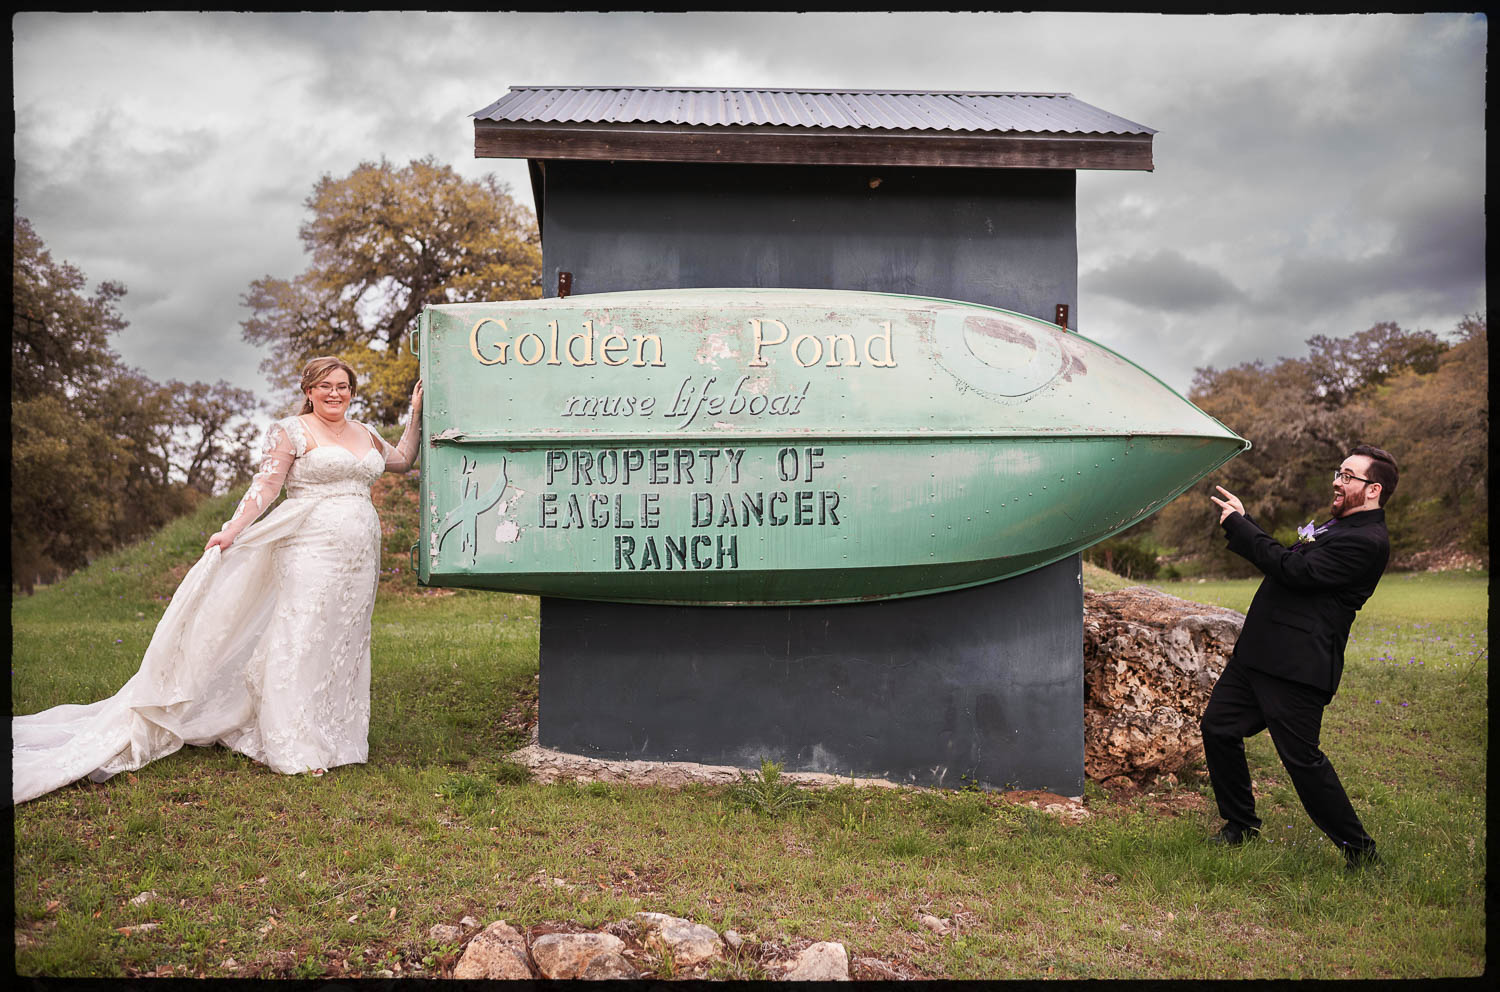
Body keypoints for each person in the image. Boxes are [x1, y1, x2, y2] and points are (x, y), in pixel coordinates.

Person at [12, 357, 423, 804]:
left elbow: (401, 461)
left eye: (342, 386)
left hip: (360, 553)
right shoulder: (291, 430)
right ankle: (293, 744)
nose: (334, 394)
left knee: (343, 639)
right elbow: (264, 488)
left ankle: (337, 738)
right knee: (301, 635)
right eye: (324, 386)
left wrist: (416, 412)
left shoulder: (365, 432)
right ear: (308, 390)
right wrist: (230, 530)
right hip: (308, 546)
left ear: (352, 390)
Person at [1200, 444, 1396, 870]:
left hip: (1296, 666)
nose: (1337, 481)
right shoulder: (1336, 527)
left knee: (1302, 761)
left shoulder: (1367, 541)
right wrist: (1245, 521)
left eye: (1348, 476)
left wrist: (1242, 527)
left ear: (1373, 489)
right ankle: (1240, 825)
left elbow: (1295, 572)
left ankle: (1361, 853)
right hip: (1258, 655)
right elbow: (1290, 560)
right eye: (1338, 472)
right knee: (1218, 728)